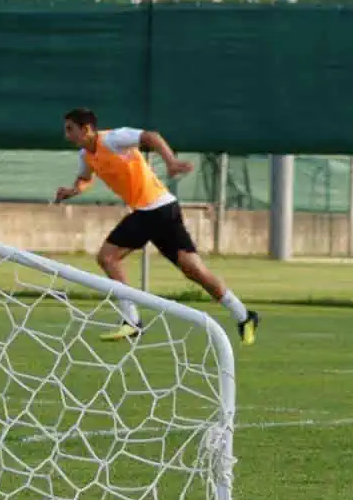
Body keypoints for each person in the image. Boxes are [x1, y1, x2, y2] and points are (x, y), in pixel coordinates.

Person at [54, 108, 259, 345]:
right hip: (150, 212)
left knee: (110, 258)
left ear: (86, 129)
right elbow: (85, 178)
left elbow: (150, 137)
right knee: (191, 269)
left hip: (158, 209)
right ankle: (244, 315)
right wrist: (72, 191)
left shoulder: (112, 138)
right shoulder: (86, 155)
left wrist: (170, 162)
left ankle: (133, 322)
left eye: (70, 129)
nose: (67, 135)